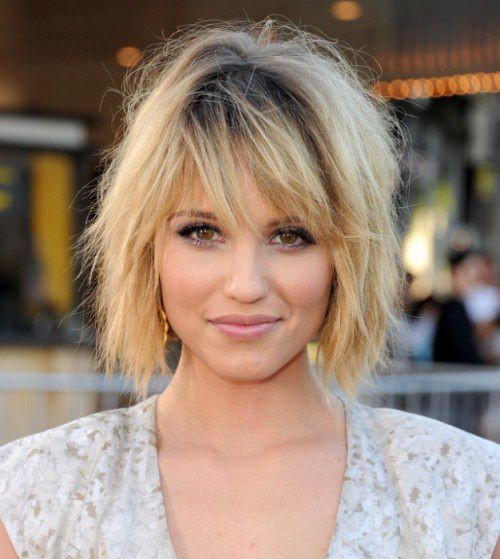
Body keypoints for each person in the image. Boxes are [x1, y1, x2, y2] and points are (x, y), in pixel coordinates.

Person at [0, 18, 499, 559]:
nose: (245, 285)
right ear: (147, 250)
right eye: (202, 232)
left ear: (347, 259)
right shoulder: (34, 495)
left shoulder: (467, 495)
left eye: (290, 236)